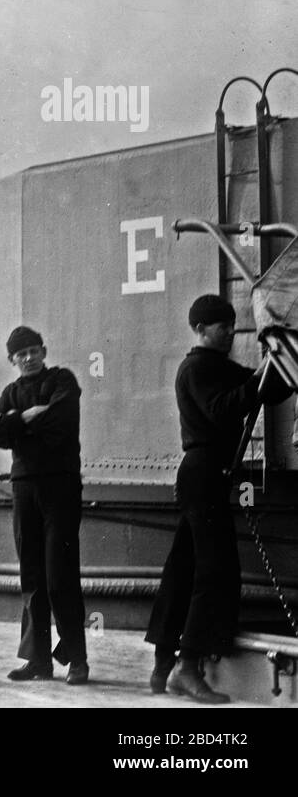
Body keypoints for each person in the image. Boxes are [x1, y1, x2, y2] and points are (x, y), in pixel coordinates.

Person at [144, 294, 292, 703]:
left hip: (205, 476)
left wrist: (279, 361)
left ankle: (161, 667)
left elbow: (264, 389)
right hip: (203, 473)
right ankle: (187, 668)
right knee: (215, 572)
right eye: (221, 325)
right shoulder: (196, 368)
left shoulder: (217, 367)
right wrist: (257, 381)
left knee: (184, 568)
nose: (230, 330)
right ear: (200, 329)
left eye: (231, 323)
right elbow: (224, 408)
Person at [0, 326, 88, 685]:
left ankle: (77, 659)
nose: (28, 358)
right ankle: (38, 660)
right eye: (21, 354)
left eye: (33, 351)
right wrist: (26, 417)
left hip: (59, 485)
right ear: (12, 360)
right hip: (24, 488)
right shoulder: (10, 392)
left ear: (44, 351)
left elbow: (60, 422)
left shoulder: (63, 380)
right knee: (32, 577)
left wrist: (16, 424)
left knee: (60, 576)